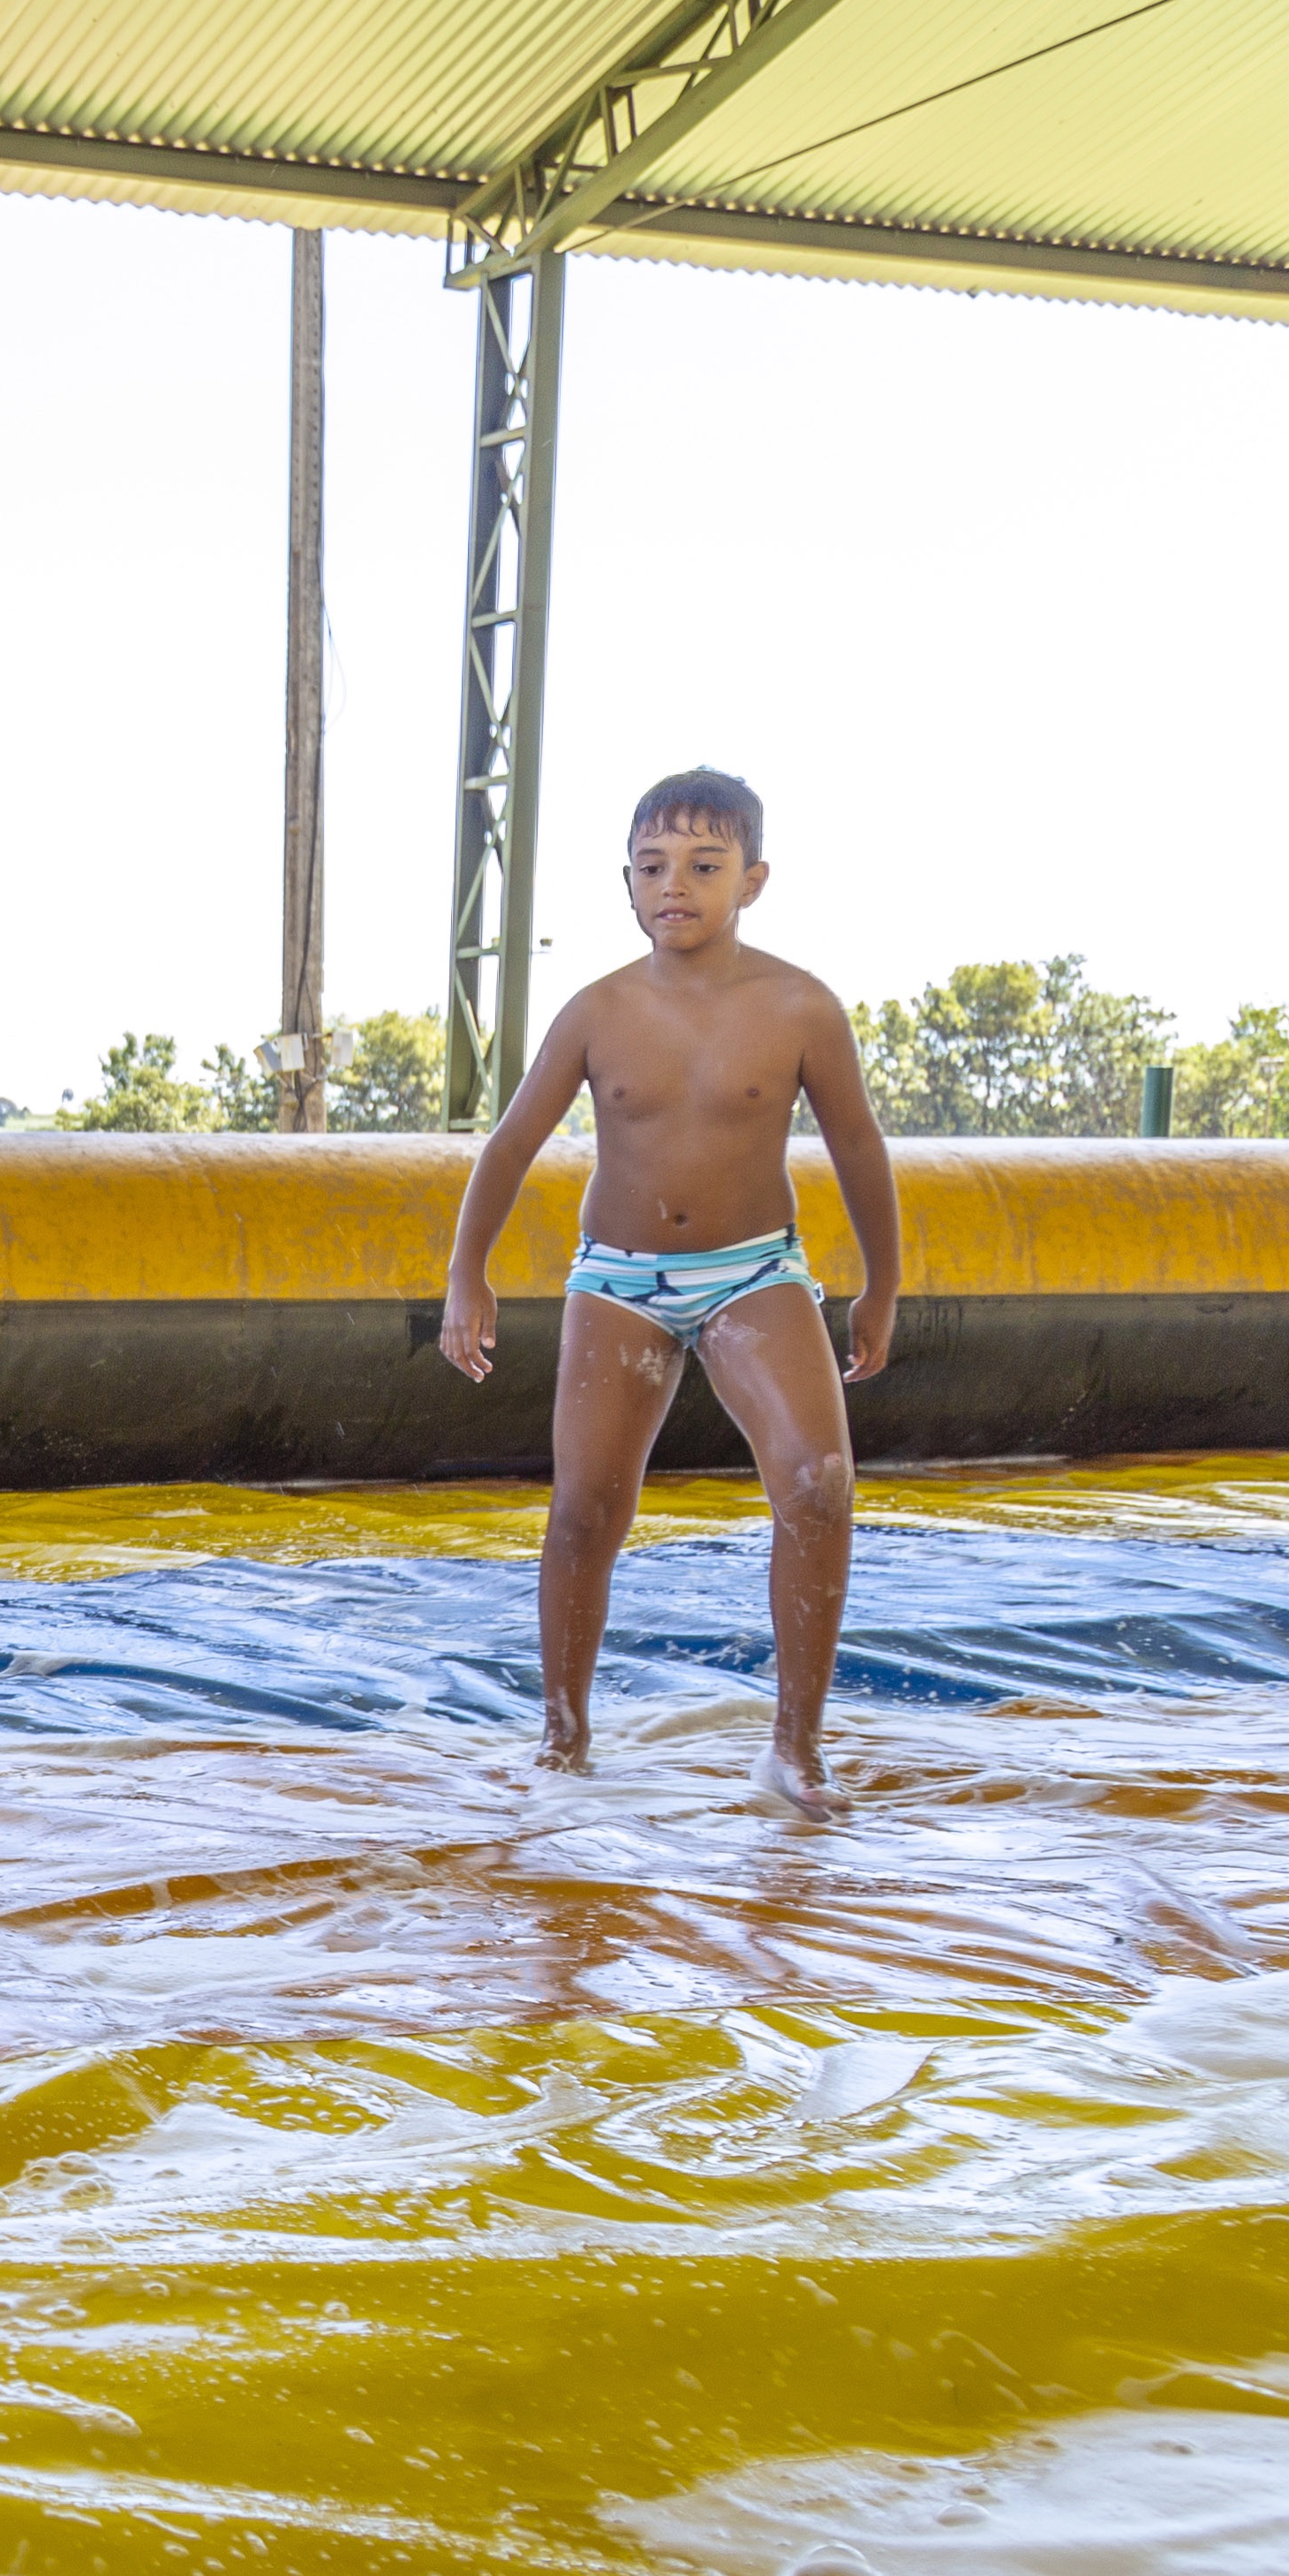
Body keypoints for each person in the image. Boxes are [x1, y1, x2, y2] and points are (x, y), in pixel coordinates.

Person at [438, 766, 899, 1818]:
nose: (672, 885)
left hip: (755, 1272)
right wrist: (466, 1274)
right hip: (619, 1281)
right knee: (583, 1511)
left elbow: (858, 1147)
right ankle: (562, 1738)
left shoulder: (800, 1007)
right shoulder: (597, 1010)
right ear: (627, 884)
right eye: (650, 867)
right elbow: (508, 1145)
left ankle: (795, 1750)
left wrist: (881, 1286)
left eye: (702, 865)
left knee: (820, 1482)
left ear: (753, 881)